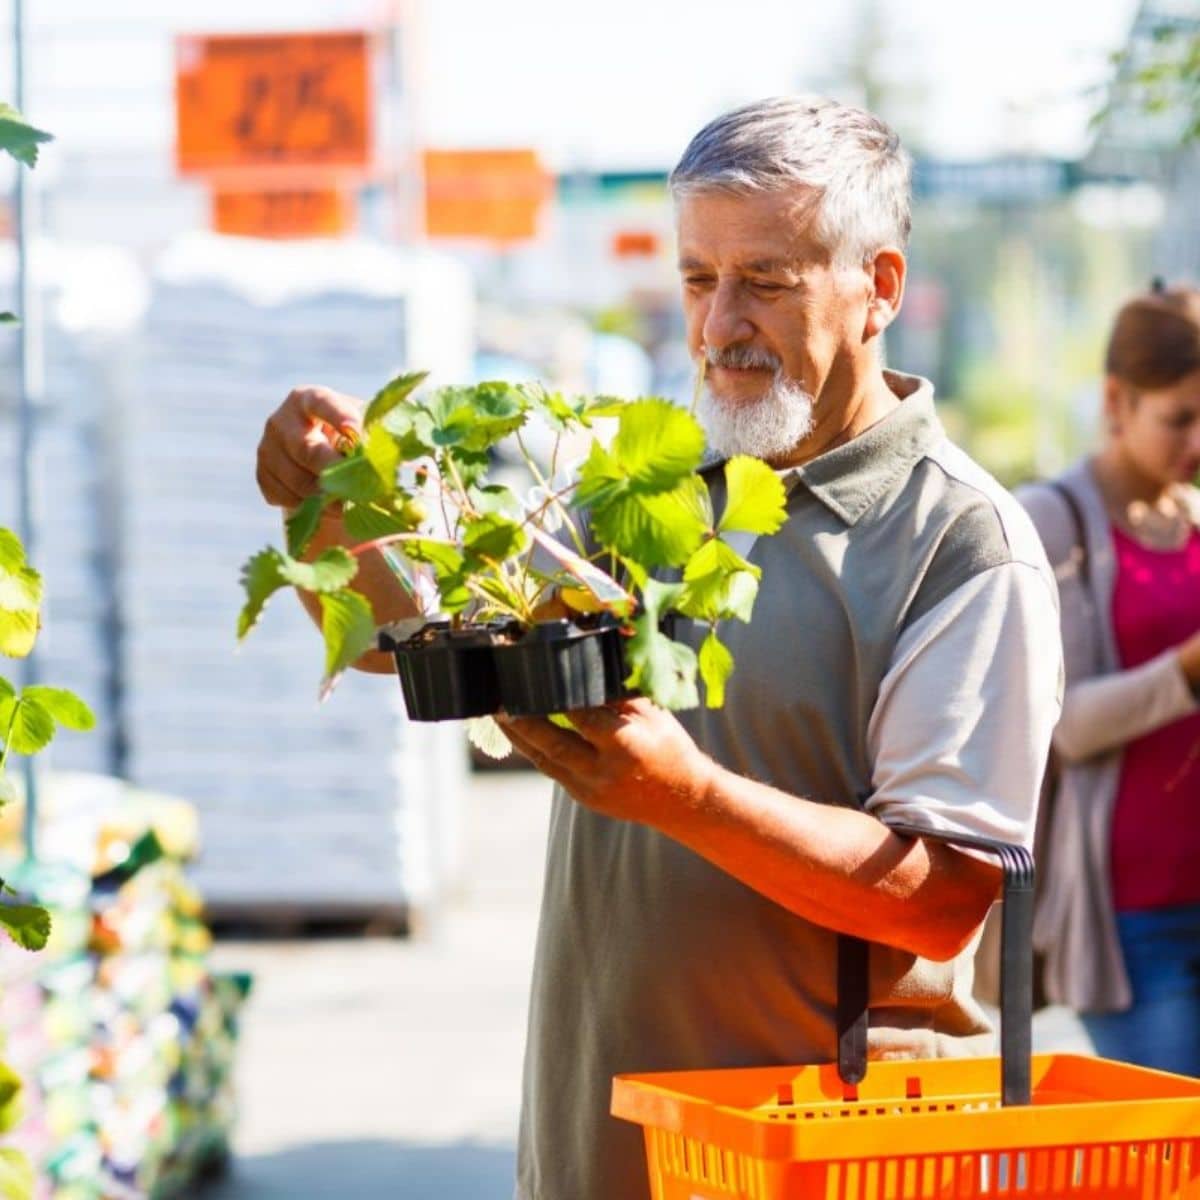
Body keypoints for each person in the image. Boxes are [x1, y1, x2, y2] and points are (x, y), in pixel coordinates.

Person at [255, 96, 1063, 1200]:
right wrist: (329, 507)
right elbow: (410, 639)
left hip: (817, 1164)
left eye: (766, 281)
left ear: (878, 288)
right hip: (600, 1152)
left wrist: (689, 796)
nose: (720, 323)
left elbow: (940, 896)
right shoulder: (656, 491)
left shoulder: (958, 543)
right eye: (698, 279)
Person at [1019, 283, 1200, 1076]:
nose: (1198, 442)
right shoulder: (1050, 520)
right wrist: (1187, 672)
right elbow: (1064, 725)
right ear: (1117, 401)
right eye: (1181, 419)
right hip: (1131, 921)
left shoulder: (1192, 516)